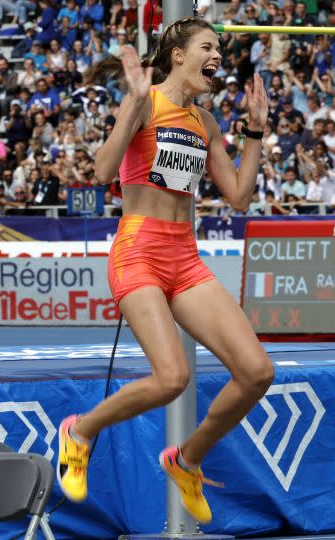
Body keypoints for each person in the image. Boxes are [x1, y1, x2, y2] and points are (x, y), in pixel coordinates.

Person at [58, 17, 273, 524]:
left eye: (219, 49)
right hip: (138, 250)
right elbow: (103, 171)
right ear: (177, 54)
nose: (217, 56)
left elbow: (238, 197)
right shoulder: (145, 101)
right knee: (172, 377)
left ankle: (187, 458)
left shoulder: (205, 122)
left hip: (185, 256)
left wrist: (256, 129)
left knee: (257, 372)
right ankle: (80, 431)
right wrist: (133, 102)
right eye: (207, 46)